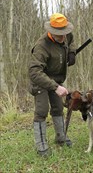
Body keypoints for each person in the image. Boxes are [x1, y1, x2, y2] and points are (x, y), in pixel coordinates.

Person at [28, 13, 76, 156]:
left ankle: (61, 137)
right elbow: (34, 72)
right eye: (59, 35)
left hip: (56, 78)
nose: (63, 38)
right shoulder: (41, 46)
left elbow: (71, 40)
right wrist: (55, 87)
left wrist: (72, 52)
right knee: (42, 110)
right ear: (51, 32)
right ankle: (41, 146)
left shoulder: (66, 34)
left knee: (58, 107)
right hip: (40, 81)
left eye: (64, 34)